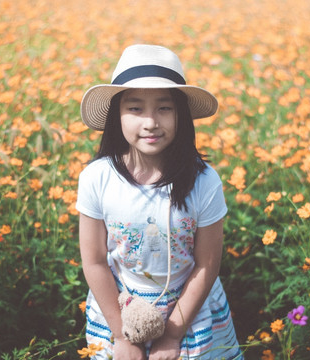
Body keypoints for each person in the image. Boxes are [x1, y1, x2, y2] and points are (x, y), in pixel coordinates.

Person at [76, 44, 242, 360]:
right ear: (117, 116)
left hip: (189, 310)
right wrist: (121, 334)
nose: (151, 122)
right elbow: (95, 260)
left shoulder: (205, 181)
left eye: (164, 108)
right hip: (119, 306)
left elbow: (207, 264)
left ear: (180, 114)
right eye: (136, 109)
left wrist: (174, 333)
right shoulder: (96, 178)